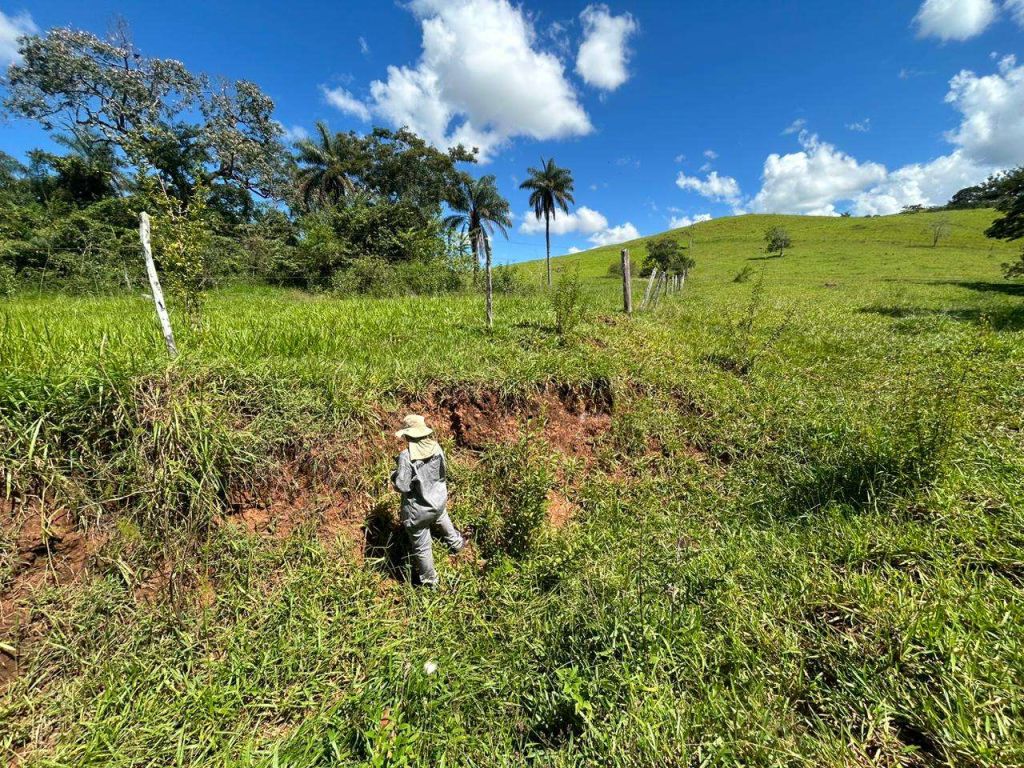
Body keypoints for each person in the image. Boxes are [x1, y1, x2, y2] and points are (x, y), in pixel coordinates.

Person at [390, 414, 465, 588]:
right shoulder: (436, 447)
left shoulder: (406, 456)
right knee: (441, 515)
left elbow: (402, 485)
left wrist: (394, 475)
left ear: (408, 435)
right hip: (438, 500)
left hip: (419, 511)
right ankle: (457, 544)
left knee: (422, 546)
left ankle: (430, 582)